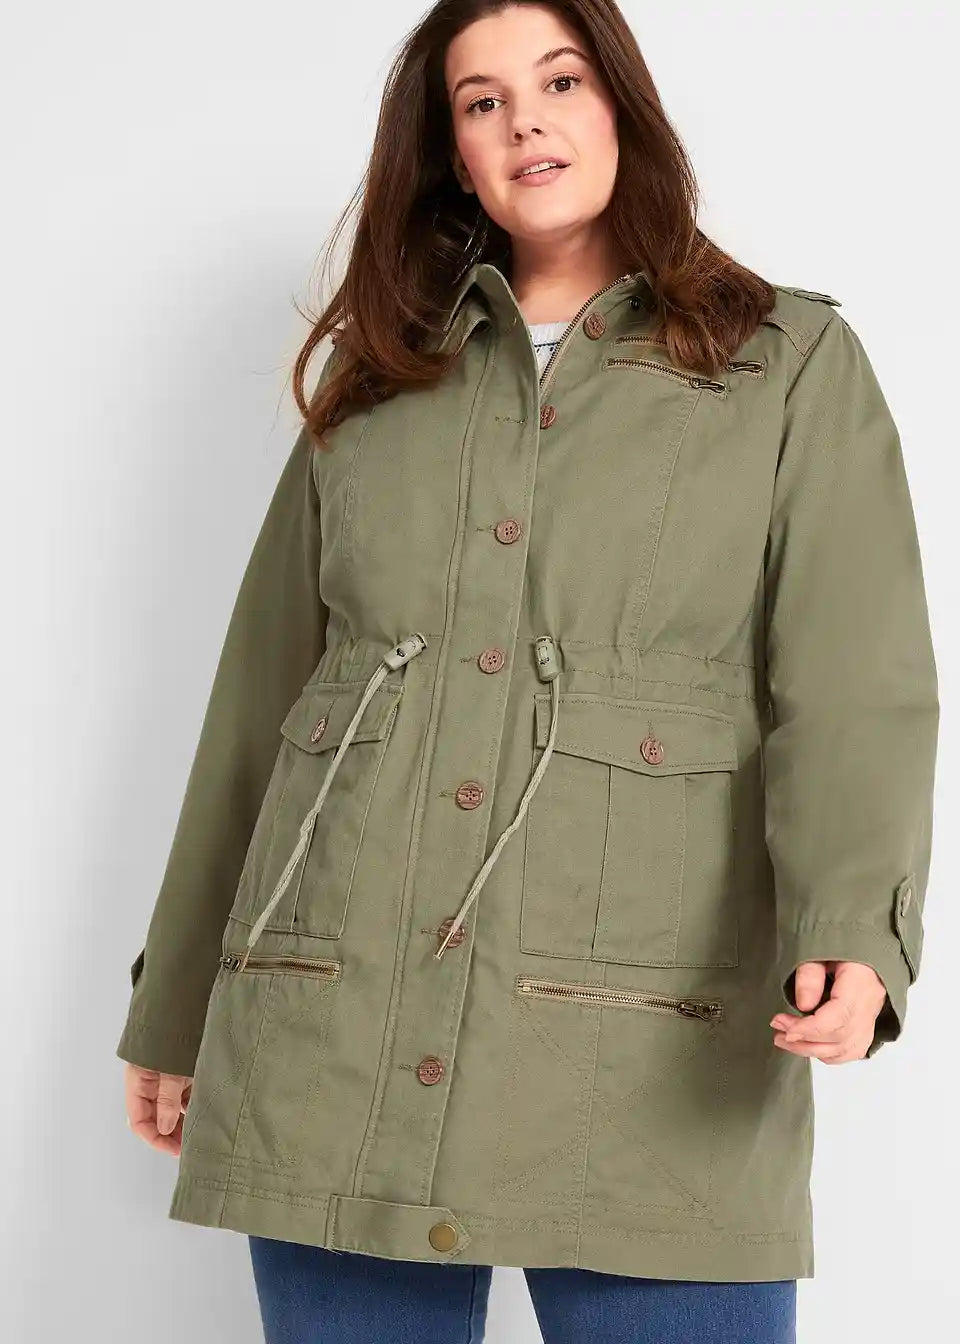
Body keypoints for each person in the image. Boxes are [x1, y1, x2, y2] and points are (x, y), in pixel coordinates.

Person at [116, 3, 939, 1342]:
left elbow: (856, 684)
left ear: (622, 105)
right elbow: (259, 712)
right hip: (332, 1044)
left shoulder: (784, 366)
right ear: (452, 150)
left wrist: (855, 928)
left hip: (653, 1053)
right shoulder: (376, 382)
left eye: (559, 81)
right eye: (482, 101)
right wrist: (173, 1005)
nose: (526, 123)